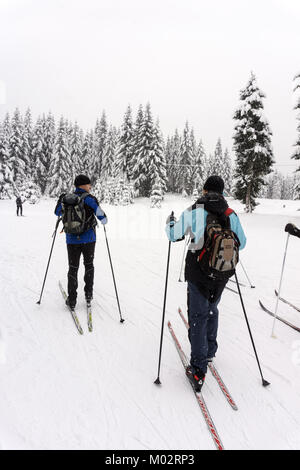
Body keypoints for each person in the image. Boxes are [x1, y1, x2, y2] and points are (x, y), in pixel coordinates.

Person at [165, 175, 246, 391]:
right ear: (222, 192)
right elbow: (243, 243)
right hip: (222, 273)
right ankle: (210, 350)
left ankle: (199, 370)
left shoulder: (195, 210)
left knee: (198, 316)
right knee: (212, 308)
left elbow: (173, 235)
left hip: (198, 273)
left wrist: (170, 223)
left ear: (204, 190)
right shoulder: (230, 213)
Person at [54, 174, 107, 310]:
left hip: (71, 240)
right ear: (83, 185)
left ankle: (72, 300)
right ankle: (88, 294)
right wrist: (103, 220)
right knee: (89, 265)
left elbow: (57, 212)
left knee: (73, 268)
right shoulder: (89, 199)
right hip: (89, 239)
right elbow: (102, 217)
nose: (90, 186)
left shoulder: (67, 199)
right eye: (89, 184)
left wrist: (61, 201)